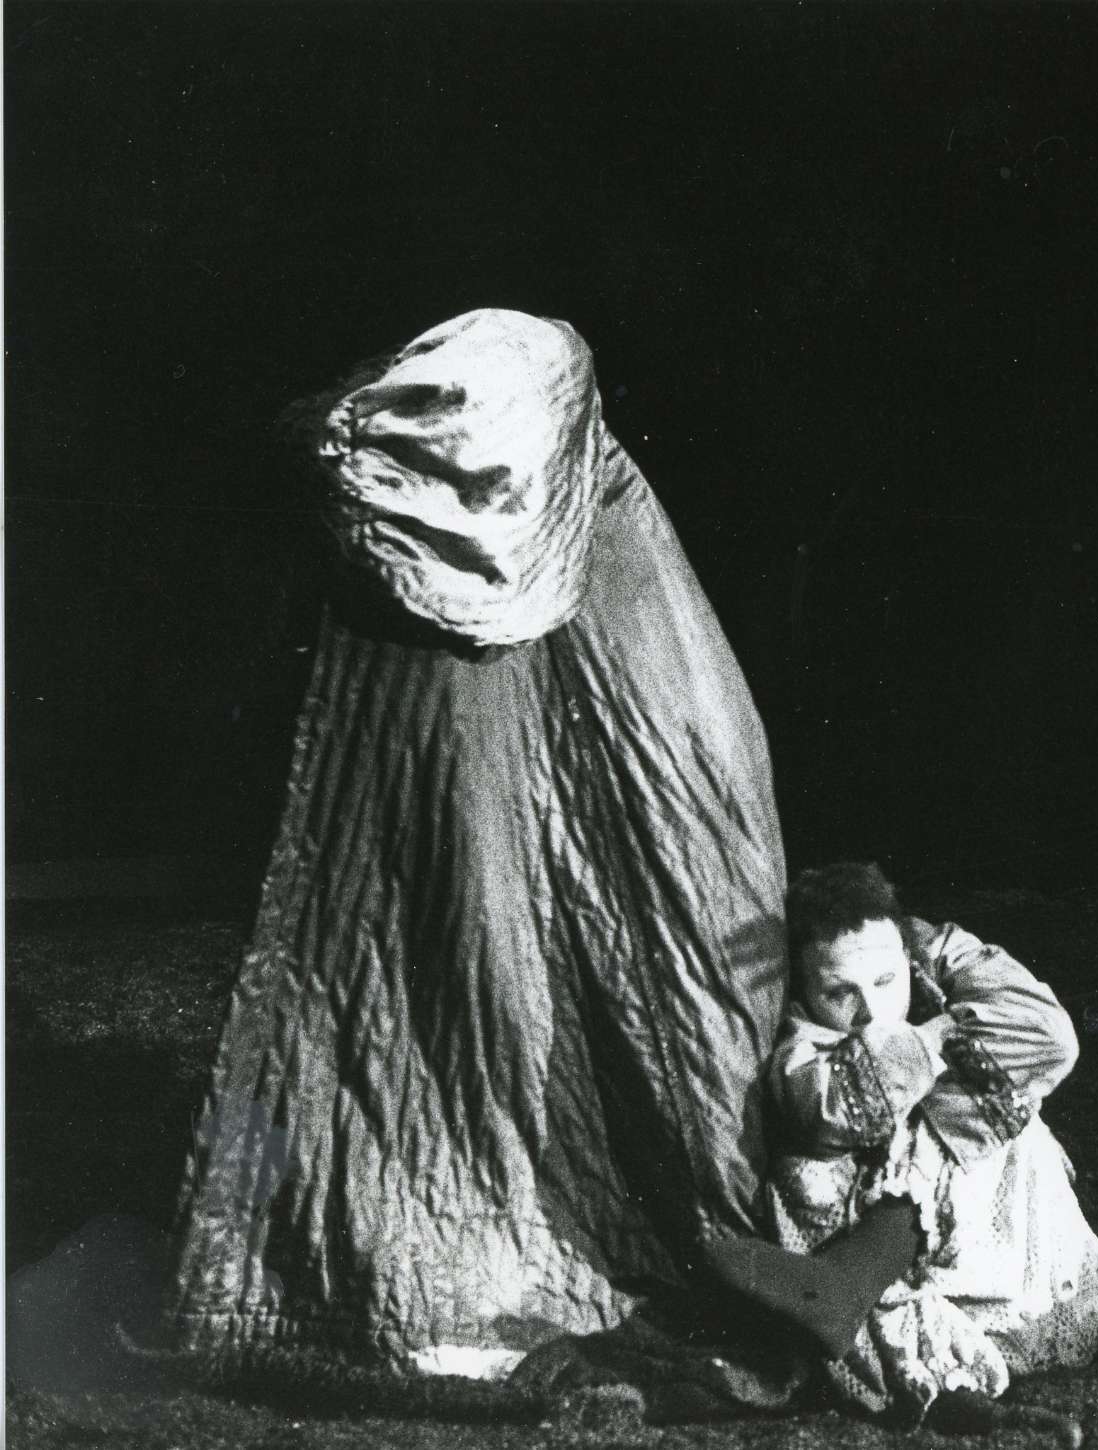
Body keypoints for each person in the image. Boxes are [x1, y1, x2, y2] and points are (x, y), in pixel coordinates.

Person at [164, 310, 790, 1376]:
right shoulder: (424, 559)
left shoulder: (577, 497)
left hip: (572, 730)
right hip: (471, 745)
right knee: (470, 963)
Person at [706, 862, 1098, 1426]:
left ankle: (851, 1283)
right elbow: (830, 1108)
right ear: (804, 992)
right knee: (815, 1171)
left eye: (885, 981)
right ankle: (939, 1376)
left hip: (1023, 1261)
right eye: (840, 992)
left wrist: (942, 950)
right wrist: (929, 1041)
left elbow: (1050, 1038)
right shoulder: (805, 1044)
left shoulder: (927, 972)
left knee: (994, 1102)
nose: (871, 1012)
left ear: (909, 959)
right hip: (928, 1280)